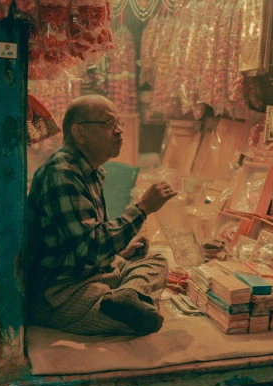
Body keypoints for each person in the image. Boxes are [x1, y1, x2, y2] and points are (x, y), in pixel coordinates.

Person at [26, 95, 178, 336]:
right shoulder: (61, 173)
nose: (118, 132)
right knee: (148, 320)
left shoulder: (90, 172)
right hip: (60, 293)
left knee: (156, 262)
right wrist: (143, 208)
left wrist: (120, 252)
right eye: (108, 124)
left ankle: (127, 296)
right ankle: (127, 300)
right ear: (79, 133)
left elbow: (91, 239)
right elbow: (92, 247)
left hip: (91, 274)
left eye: (119, 124)